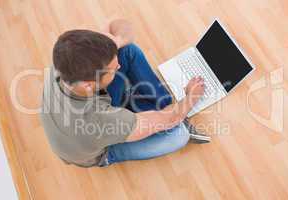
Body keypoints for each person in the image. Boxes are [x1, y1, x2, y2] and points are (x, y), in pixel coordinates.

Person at [40, 19, 210, 168]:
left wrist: (116, 41)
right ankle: (148, 115)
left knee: (127, 51)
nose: (119, 67)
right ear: (88, 85)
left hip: (83, 124)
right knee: (179, 135)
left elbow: (118, 24)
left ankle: (156, 108)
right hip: (97, 151)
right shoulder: (99, 121)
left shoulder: (66, 57)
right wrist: (191, 97)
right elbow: (172, 119)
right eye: (113, 70)